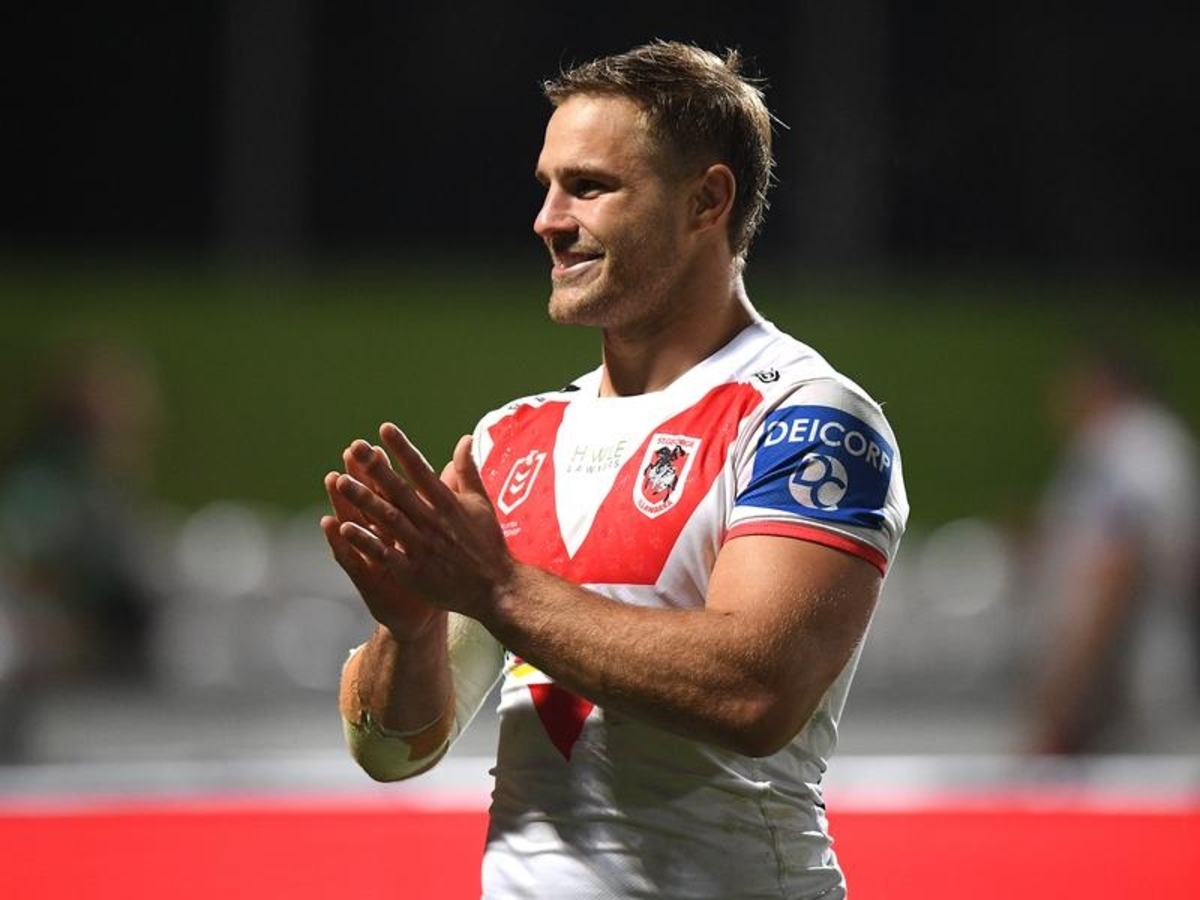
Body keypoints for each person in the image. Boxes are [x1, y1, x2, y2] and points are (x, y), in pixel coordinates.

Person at [322, 40, 909, 899]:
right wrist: (408, 634)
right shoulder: (510, 441)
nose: (548, 220)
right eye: (547, 186)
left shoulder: (807, 419)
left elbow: (755, 696)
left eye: (589, 186)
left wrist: (497, 590)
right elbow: (393, 752)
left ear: (707, 200)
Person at [1021, 344, 1200, 755]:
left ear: (1102, 385)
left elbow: (1119, 563)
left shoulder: (1130, 447)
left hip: (1121, 689)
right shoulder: (1142, 446)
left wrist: (1069, 686)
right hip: (1128, 683)